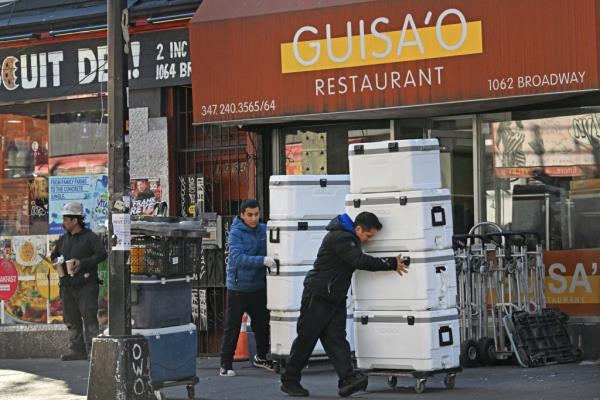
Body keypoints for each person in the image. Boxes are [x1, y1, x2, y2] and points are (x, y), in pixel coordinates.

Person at [280, 212, 409, 397]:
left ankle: (347, 379)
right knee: (307, 338)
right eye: (368, 236)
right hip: (318, 294)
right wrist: (390, 263)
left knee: (336, 338)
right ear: (358, 229)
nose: (368, 240)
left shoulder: (348, 237)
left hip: (334, 296)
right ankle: (289, 380)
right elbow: (359, 260)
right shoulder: (341, 237)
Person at [219, 199, 276, 377]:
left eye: (256, 214)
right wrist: (262, 261)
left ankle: (261, 357)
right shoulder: (236, 233)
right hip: (238, 287)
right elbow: (237, 258)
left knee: (262, 325)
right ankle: (225, 364)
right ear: (242, 215)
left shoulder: (263, 229)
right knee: (233, 326)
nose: (253, 218)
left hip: (258, 286)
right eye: (250, 215)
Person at [50, 202, 107, 361]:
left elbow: (102, 254)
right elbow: (54, 256)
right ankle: (77, 350)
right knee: (71, 319)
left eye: (67, 219)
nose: (64, 222)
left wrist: (82, 262)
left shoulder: (90, 237)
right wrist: (57, 263)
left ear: (76, 220)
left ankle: (93, 351)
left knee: (89, 317)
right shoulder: (63, 239)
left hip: (87, 284)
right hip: (67, 286)